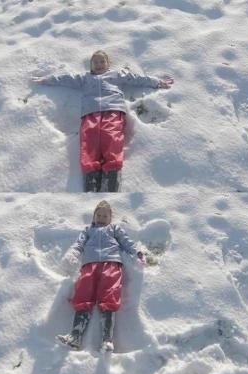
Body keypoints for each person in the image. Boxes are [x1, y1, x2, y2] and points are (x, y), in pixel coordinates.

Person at [32, 50, 174, 191]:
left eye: (102, 61)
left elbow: (137, 79)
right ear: (90, 65)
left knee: (112, 139)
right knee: (89, 141)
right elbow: (66, 79)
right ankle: (91, 178)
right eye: (95, 62)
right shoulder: (85, 78)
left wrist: (158, 82)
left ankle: (112, 175)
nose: (98, 64)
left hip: (113, 111)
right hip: (90, 113)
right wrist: (47, 80)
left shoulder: (117, 75)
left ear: (108, 64)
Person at [57, 200, 148, 352]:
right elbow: (79, 244)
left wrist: (137, 252)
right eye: (98, 215)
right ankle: (75, 337)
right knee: (83, 295)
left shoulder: (114, 229)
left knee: (110, 296)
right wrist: (73, 253)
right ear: (94, 216)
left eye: (105, 216)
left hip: (111, 264)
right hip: (89, 265)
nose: (101, 218)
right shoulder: (88, 230)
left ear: (110, 218)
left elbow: (126, 242)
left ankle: (107, 340)